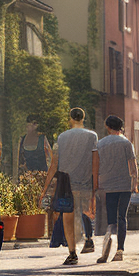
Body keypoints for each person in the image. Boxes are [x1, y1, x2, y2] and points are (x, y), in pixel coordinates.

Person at [40, 107, 98, 265]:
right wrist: (96, 185)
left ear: (71, 119)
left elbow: (54, 164)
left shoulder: (62, 137)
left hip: (66, 183)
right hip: (85, 182)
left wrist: (45, 188)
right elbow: (95, 161)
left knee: (68, 218)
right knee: (86, 212)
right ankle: (89, 239)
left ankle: (72, 253)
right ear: (83, 118)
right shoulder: (92, 136)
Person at [95, 115, 138, 263]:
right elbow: (133, 164)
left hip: (107, 184)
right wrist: (135, 182)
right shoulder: (126, 143)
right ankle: (120, 250)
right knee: (122, 217)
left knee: (111, 219)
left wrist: (97, 183)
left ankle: (106, 247)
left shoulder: (100, 144)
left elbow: (96, 164)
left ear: (108, 127)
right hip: (125, 184)